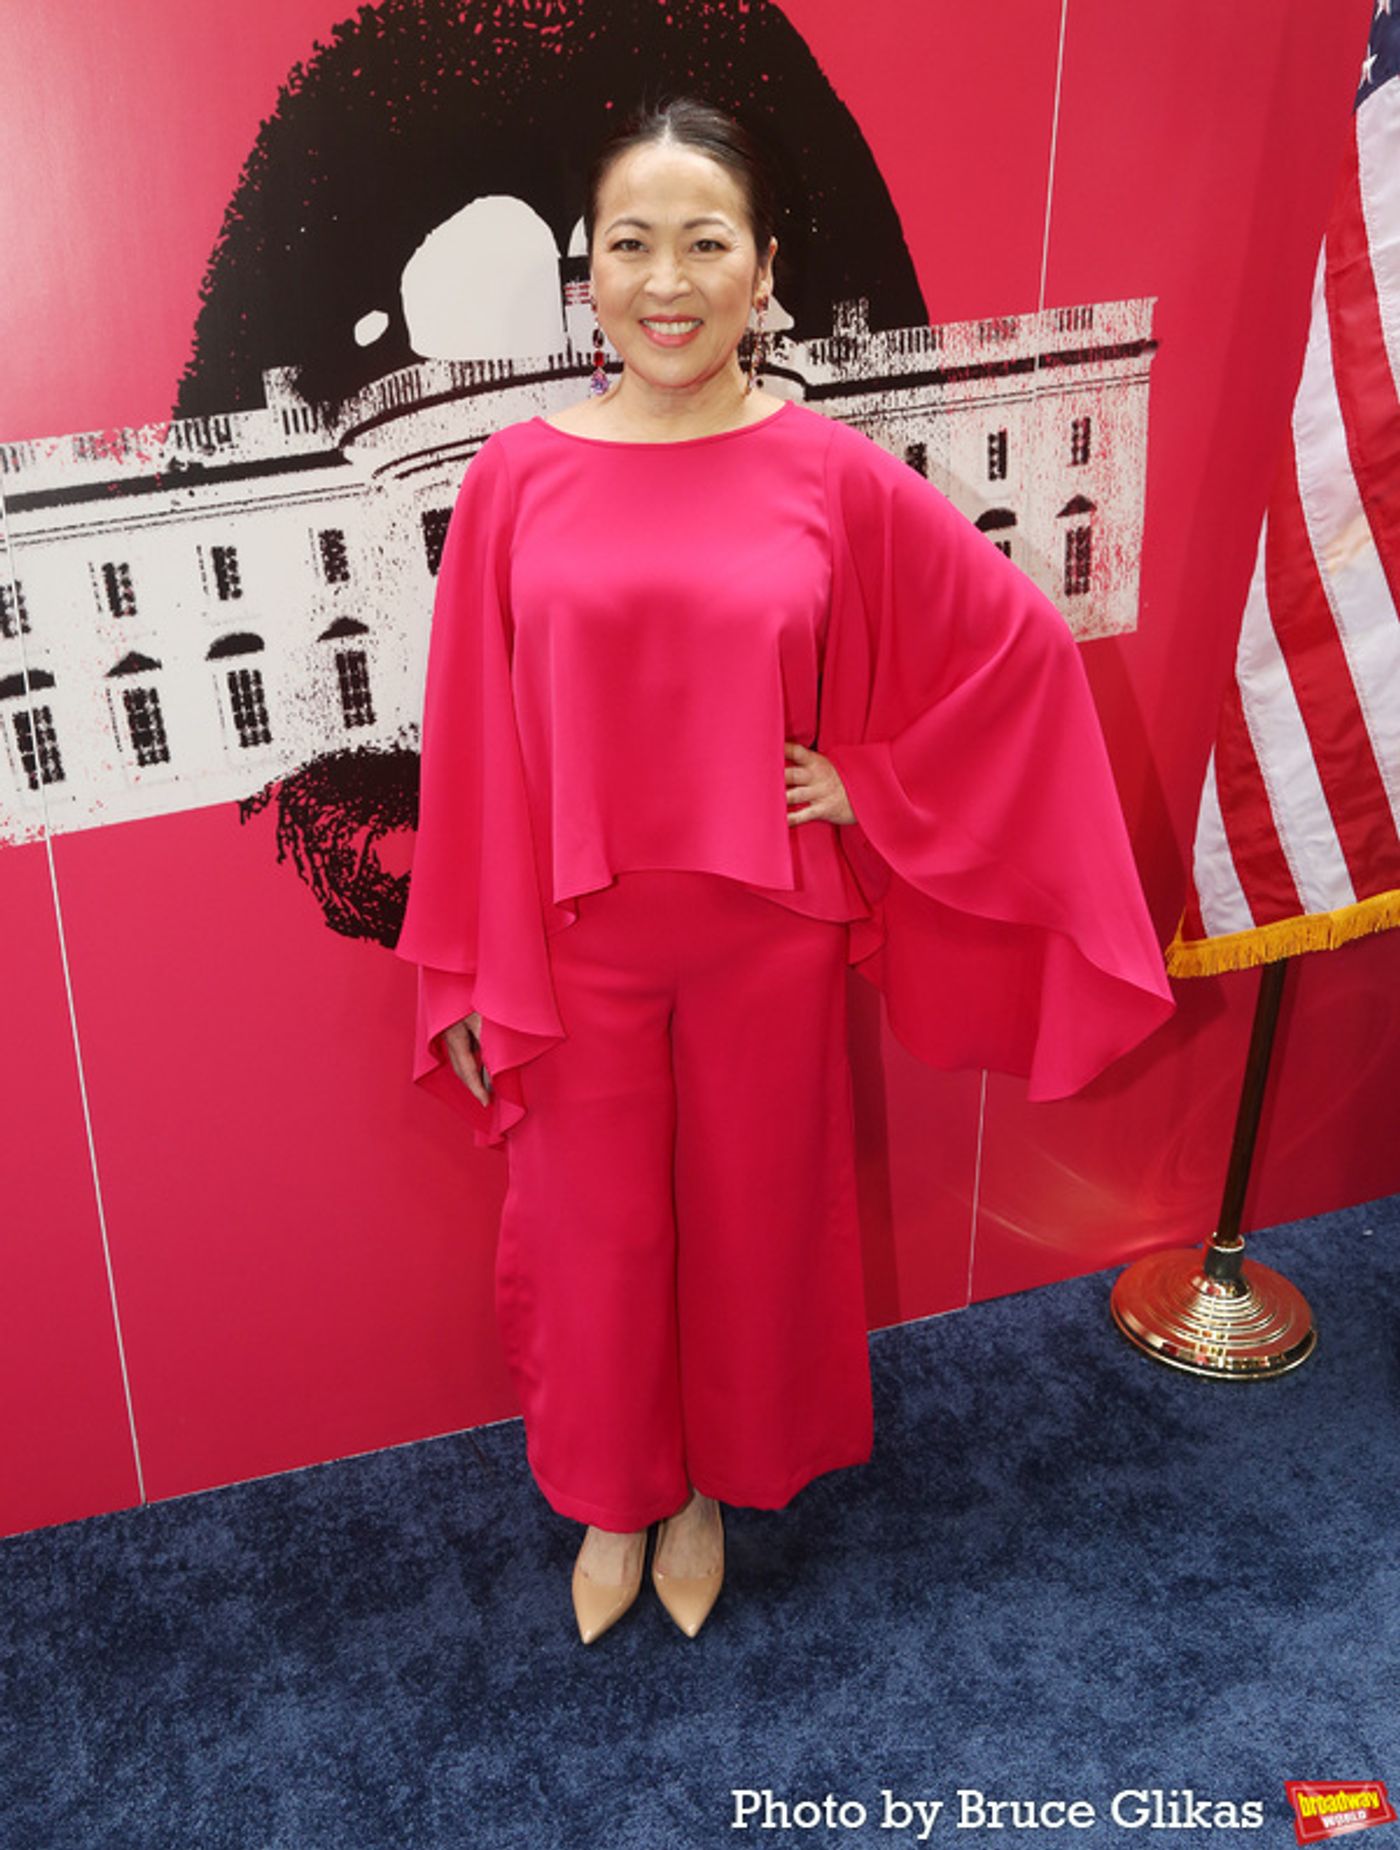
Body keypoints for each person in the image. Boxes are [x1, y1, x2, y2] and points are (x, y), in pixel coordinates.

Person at [393, 96, 1174, 1645]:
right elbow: (473, 741)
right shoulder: (511, 481)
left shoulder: (830, 474)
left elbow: (1015, 653)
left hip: (768, 931)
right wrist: (462, 963)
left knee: (753, 1223)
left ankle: (704, 1487)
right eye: (631, 243)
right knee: (596, 1234)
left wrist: (869, 782)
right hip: (572, 943)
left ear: (764, 272)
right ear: (586, 270)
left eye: (704, 243)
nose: (664, 280)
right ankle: (622, 1487)